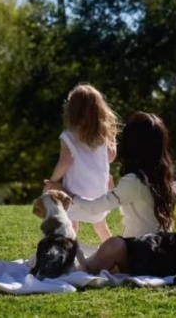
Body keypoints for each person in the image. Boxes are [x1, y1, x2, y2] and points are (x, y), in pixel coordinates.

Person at [46, 111, 176, 274]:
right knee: (109, 247)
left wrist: (66, 193)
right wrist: (114, 190)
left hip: (142, 255)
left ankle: (78, 270)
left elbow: (94, 208)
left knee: (112, 246)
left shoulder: (134, 181)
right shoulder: (161, 177)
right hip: (162, 253)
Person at [45, 83, 119, 242]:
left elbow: (65, 161)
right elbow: (111, 157)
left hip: (75, 192)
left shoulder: (68, 135)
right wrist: (112, 138)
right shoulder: (102, 134)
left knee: (72, 226)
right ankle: (116, 254)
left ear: (72, 110)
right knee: (100, 225)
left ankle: (67, 254)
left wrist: (53, 181)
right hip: (98, 192)